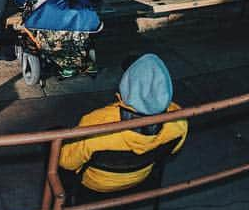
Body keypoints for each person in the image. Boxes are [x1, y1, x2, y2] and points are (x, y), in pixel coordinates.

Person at [59, 54, 187, 193]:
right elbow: (171, 151)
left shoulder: (97, 123)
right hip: (140, 177)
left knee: (55, 144)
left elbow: (67, 162)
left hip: (95, 184)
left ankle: (57, 207)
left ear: (127, 84)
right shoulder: (179, 120)